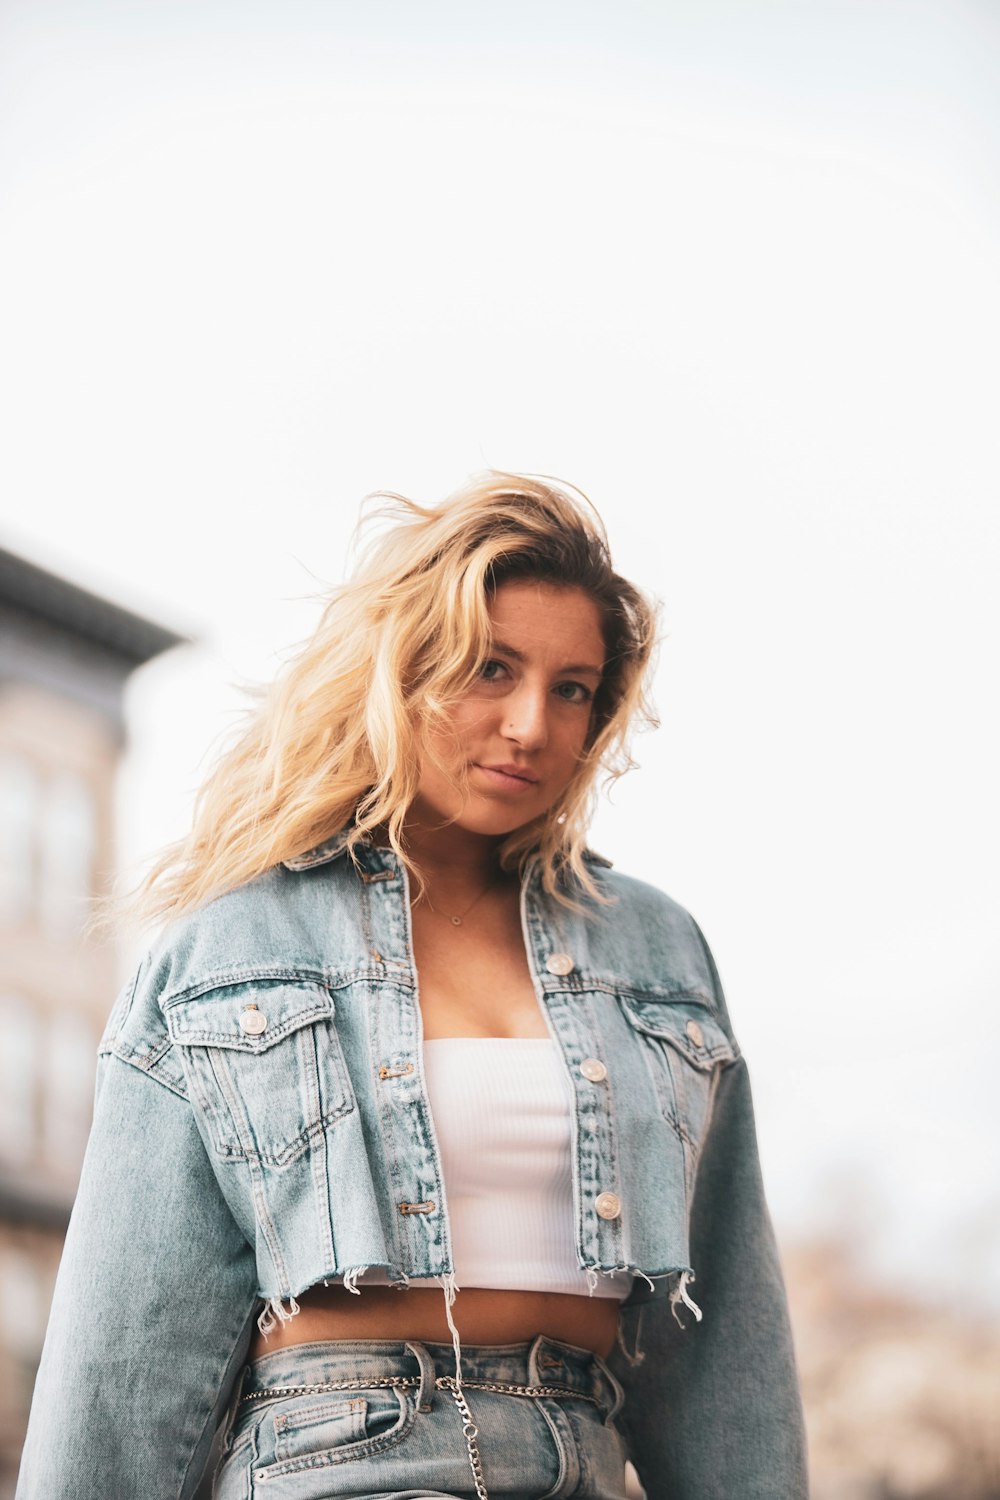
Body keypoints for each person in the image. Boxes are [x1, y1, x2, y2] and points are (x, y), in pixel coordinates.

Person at [16, 471, 808, 1500]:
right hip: (341, 1456)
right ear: (401, 673)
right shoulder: (232, 946)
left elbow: (722, 1336)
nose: (531, 724)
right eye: (491, 669)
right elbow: (126, 1353)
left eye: (571, 687)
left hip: (584, 1450)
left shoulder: (655, 948)